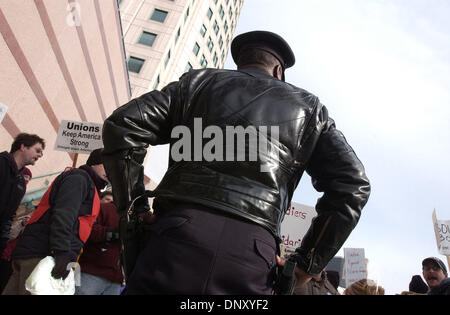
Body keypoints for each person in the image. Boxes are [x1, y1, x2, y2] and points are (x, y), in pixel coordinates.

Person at [102, 30, 371, 294]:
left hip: (176, 233)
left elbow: (123, 125)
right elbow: (352, 184)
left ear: (240, 64)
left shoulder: (196, 83)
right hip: (253, 253)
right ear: (278, 70)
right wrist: (308, 262)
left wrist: (134, 211)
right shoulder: (309, 109)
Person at [2, 148, 108, 295]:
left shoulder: (87, 184)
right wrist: (62, 252)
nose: (109, 170)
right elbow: (64, 214)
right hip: (43, 256)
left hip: (38, 254)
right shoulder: (80, 179)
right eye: (105, 164)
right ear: (94, 163)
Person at [0, 133, 45, 258]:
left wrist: (3, 239)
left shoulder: (21, 182)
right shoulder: (1, 163)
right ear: (23, 147)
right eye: (37, 150)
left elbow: (11, 213)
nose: (40, 155)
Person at [75, 192, 123, 295]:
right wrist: (113, 233)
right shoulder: (105, 209)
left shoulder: (137, 219)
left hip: (116, 279)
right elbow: (87, 230)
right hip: (92, 272)